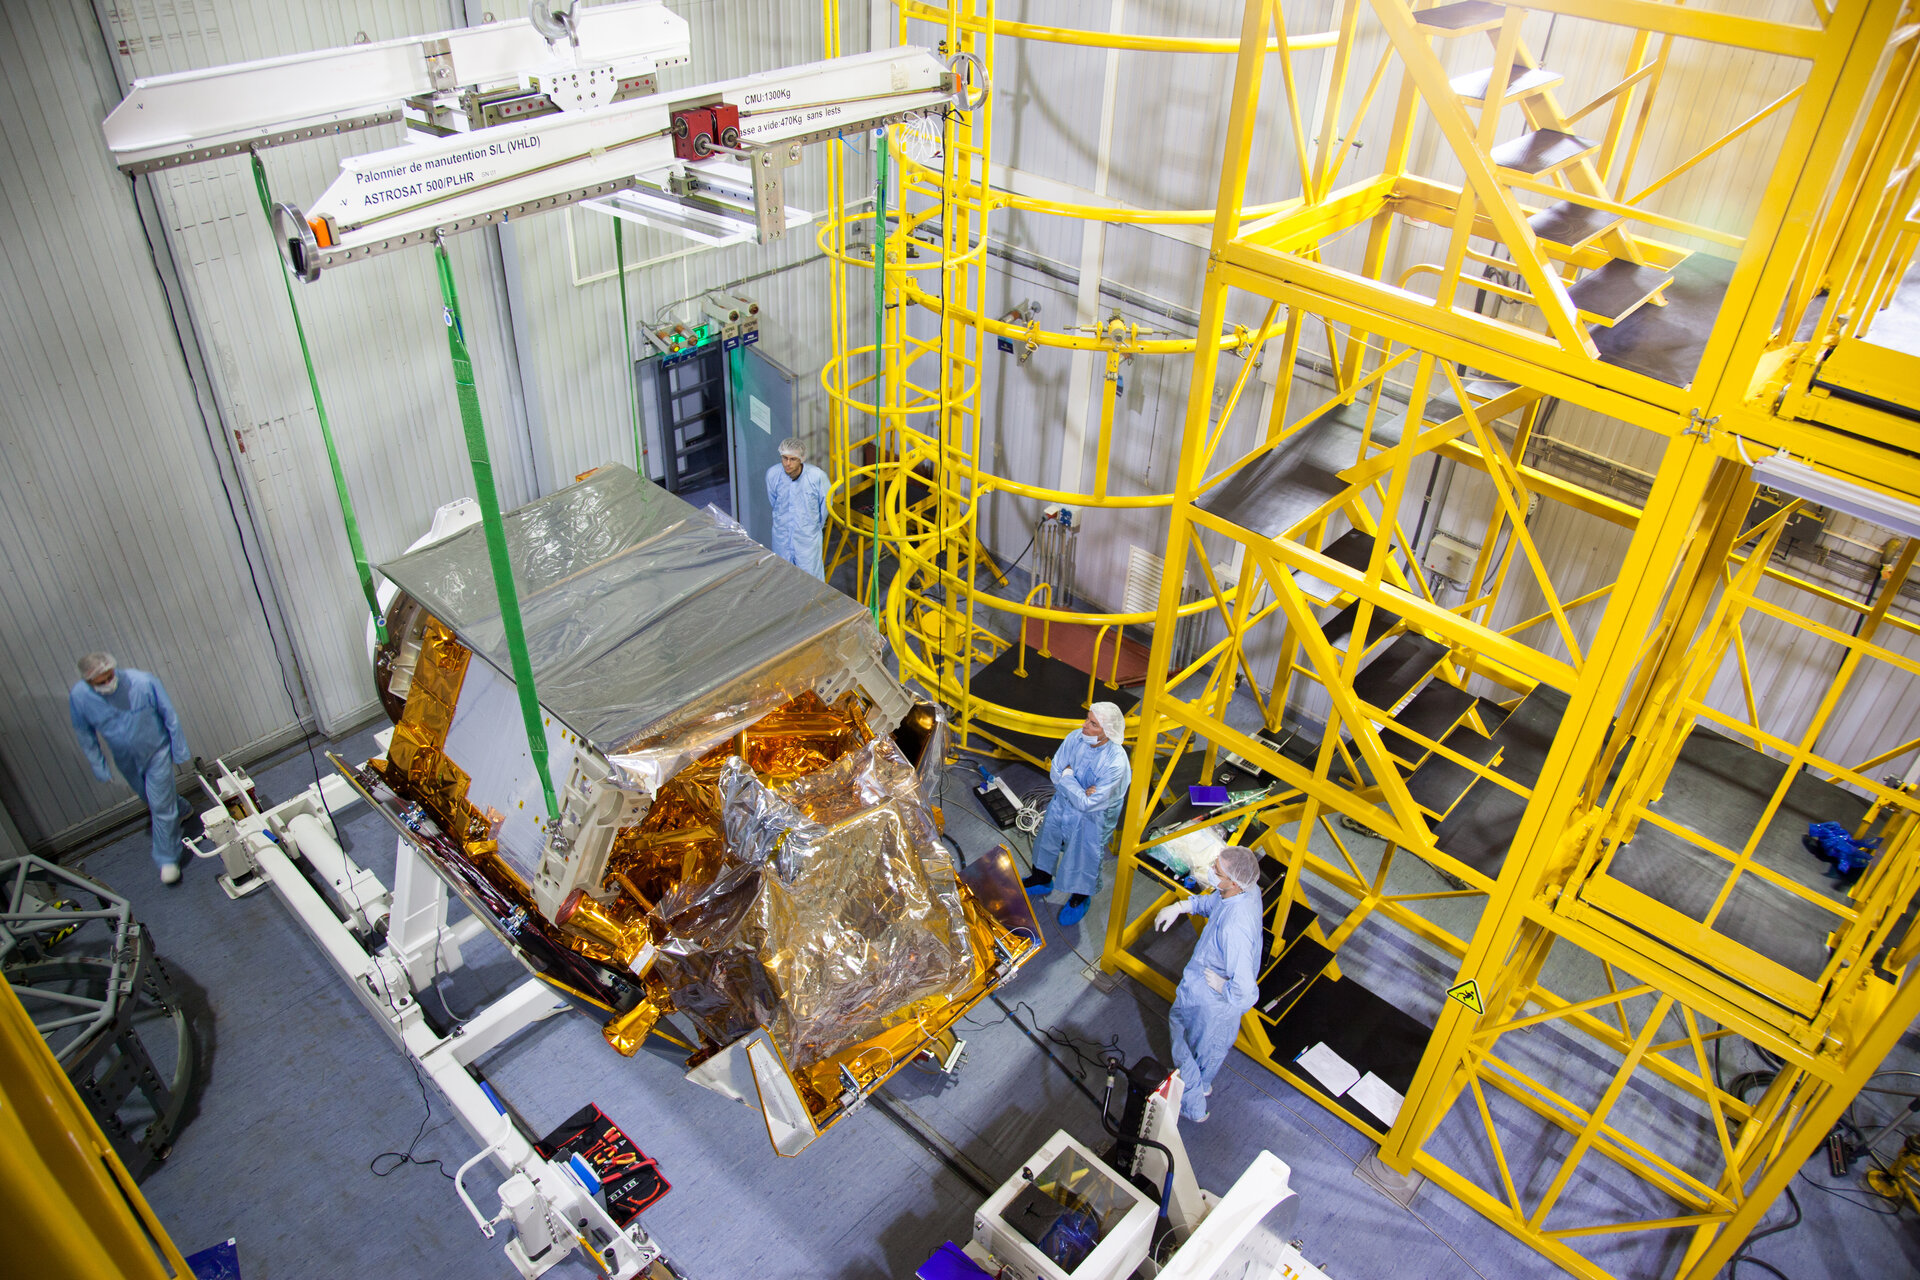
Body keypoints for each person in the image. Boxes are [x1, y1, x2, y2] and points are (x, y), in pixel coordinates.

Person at [1154, 844, 1263, 1123]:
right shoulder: (1245, 892)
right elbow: (1214, 903)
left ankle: (1193, 1108)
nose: (1212, 871)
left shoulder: (1235, 928)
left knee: (1190, 1046)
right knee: (1202, 1051)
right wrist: (1182, 906)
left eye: (1217, 871)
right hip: (1202, 983)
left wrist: (1222, 987)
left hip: (1215, 1002)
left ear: (1234, 881)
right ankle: (1201, 1085)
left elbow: (1246, 992)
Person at [69, 653, 191, 884]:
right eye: (100, 682)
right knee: (150, 797)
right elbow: (85, 734)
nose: (108, 684)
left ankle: (167, 859)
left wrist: (179, 749)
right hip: (126, 759)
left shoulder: (142, 682)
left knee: (160, 806)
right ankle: (182, 807)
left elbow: (169, 715)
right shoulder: (80, 697)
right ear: (88, 682)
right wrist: (99, 765)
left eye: (110, 677)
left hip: (156, 752)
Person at [1021, 701, 1131, 927]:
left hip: (1094, 819)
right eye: (1087, 719)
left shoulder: (1116, 763)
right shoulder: (1075, 737)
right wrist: (1078, 788)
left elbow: (1089, 803)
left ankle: (1080, 898)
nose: (1084, 726)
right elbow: (1055, 772)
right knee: (1047, 839)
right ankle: (1041, 879)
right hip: (1061, 805)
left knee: (1085, 858)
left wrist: (1068, 777)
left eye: (1093, 724)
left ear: (1107, 733)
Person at [765, 436, 830, 580]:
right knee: (782, 576)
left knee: (811, 579)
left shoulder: (817, 477)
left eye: (792, 459)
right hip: (781, 536)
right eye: (784, 458)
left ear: (801, 458)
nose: (787, 463)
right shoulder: (773, 475)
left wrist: (810, 527)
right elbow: (774, 501)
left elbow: (825, 507)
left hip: (807, 539)